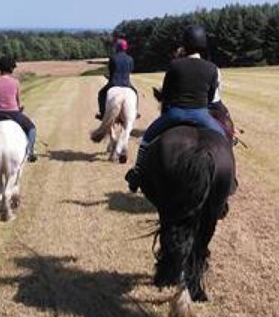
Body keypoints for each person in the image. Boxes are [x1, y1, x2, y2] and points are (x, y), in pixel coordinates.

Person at [124, 24, 225, 193]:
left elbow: (167, 94)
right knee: (223, 140)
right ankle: (229, 180)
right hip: (202, 115)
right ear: (203, 44)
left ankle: (137, 175)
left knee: (146, 139)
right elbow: (210, 98)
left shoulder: (174, 65)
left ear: (185, 44)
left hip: (174, 114)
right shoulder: (212, 68)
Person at [0, 55, 38, 162]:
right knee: (32, 129)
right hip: (14, 113)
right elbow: (17, 101)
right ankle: (30, 151)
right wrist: (19, 109)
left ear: (0, 68)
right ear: (11, 69)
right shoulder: (15, 82)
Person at [96, 38, 137, 120]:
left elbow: (111, 71)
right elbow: (130, 71)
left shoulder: (112, 58)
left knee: (101, 94)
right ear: (126, 47)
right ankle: (135, 112)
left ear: (117, 48)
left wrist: (108, 77)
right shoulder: (130, 59)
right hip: (126, 84)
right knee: (135, 93)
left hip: (113, 83)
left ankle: (102, 113)